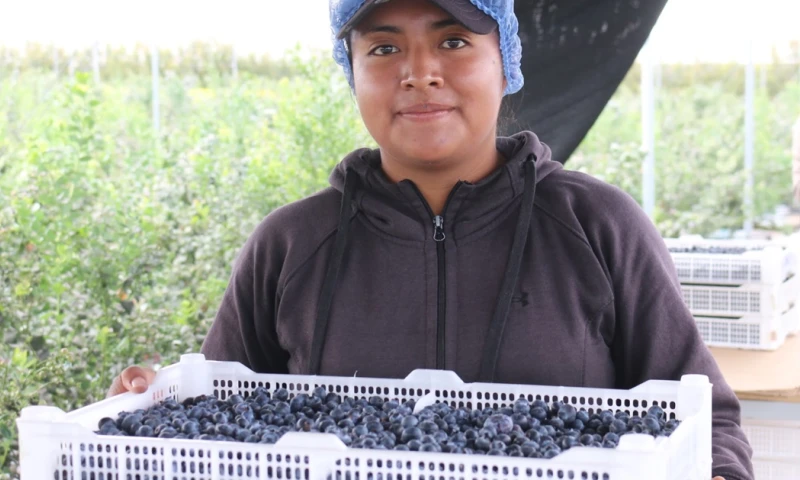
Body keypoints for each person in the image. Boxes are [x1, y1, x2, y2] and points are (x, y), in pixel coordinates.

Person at [108, 0, 753, 478]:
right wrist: (150, 409)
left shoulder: (597, 228)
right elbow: (213, 429)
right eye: (384, 49)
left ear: (506, 61)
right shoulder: (290, 246)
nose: (419, 72)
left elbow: (707, 424)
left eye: (452, 40)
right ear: (352, 72)